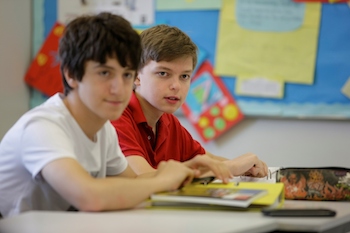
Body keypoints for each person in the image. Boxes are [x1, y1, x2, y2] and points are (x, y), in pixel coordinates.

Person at [0, 13, 232, 218]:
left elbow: (133, 184)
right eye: (104, 73)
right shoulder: (43, 127)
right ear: (71, 75)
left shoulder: (103, 130)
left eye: (127, 74)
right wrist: (164, 180)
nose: (118, 88)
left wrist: (184, 170)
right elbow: (89, 196)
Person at [111, 24, 268, 178]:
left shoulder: (169, 122)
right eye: (163, 73)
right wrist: (231, 167)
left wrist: (246, 168)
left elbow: (206, 162)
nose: (176, 86)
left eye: (184, 76)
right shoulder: (116, 116)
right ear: (136, 75)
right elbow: (143, 178)